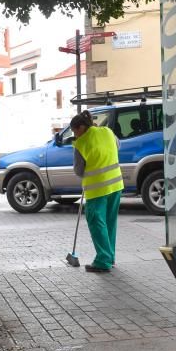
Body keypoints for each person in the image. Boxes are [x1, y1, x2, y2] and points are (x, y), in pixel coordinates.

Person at [70, 110, 123, 273]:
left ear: (81, 127)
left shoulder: (81, 143)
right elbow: (117, 146)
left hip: (97, 188)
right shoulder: (107, 131)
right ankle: (110, 257)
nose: (74, 135)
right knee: (109, 222)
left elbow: (79, 171)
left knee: (96, 221)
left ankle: (103, 260)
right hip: (116, 184)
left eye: (74, 131)